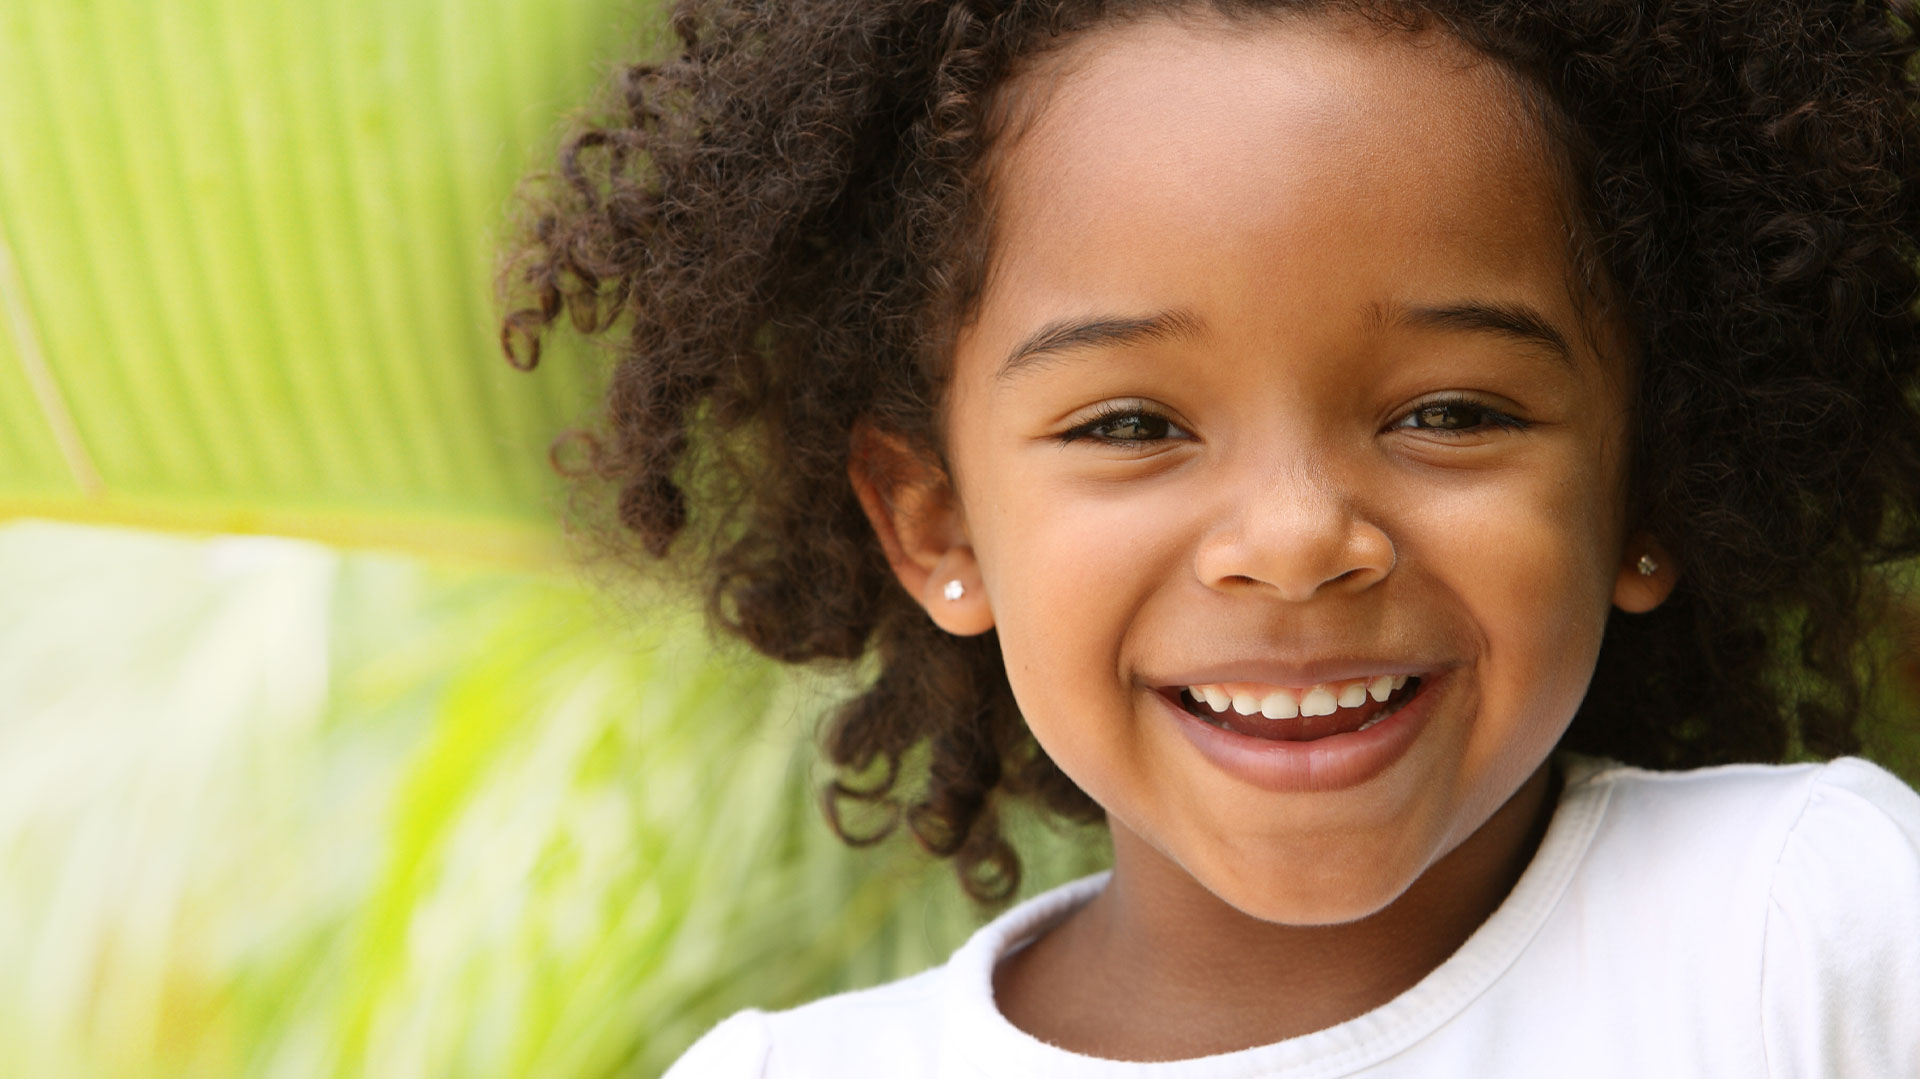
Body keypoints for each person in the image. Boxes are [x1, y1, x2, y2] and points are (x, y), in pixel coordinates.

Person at [499, 0, 1920, 1074]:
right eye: (1129, 426)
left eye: (1448, 411)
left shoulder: (1803, 933)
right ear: (936, 524)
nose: (1299, 540)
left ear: (1644, 483)